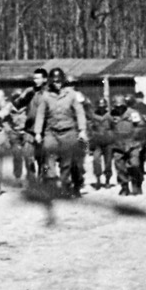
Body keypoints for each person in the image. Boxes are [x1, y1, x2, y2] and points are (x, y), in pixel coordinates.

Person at [33, 67, 88, 197]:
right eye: (54, 81)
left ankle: (64, 185)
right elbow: (40, 114)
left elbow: (80, 112)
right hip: (51, 132)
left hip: (69, 131)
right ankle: (52, 180)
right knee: (49, 157)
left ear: (63, 81)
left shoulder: (71, 94)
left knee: (66, 162)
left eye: (59, 81)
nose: (56, 83)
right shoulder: (46, 96)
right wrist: (38, 132)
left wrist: (82, 130)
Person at [108, 95, 146, 196]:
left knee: (134, 164)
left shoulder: (133, 113)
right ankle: (124, 186)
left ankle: (136, 184)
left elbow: (141, 126)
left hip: (132, 144)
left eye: (121, 106)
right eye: (117, 107)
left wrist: (138, 139)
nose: (119, 109)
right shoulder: (111, 115)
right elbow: (108, 128)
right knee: (120, 167)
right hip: (118, 145)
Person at [6, 89, 36, 184]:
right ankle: (17, 177)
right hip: (14, 133)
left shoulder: (28, 106)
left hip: (27, 132)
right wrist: (9, 130)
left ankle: (31, 177)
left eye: (18, 97)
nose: (17, 100)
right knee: (17, 156)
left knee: (29, 156)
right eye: (15, 98)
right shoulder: (8, 107)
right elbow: (4, 120)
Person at [88, 97, 114, 189]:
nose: (101, 109)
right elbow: (90, 129)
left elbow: (114, 128)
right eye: (100, 107)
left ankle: (107, 179)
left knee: (108, 162)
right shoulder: (93, 116)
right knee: (96, 160)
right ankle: (98, 178)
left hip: (108, 142)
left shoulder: (109, 116)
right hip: (97, 142)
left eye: (103, 107)